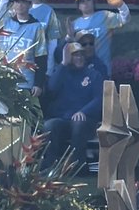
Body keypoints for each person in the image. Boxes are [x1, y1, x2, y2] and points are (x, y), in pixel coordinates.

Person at [40, 41, 102, 169]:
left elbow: (99, 99)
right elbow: (51, 88)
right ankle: (50, 165)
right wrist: (63, 64)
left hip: (85, 121)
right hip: (63, 119)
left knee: (78, 123)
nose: (79, 58)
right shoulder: (62, 72)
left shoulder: (94, 75)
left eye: (81, 55)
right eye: (75, 55)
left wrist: (83, 111)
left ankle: (77, 165)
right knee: (49, 125)